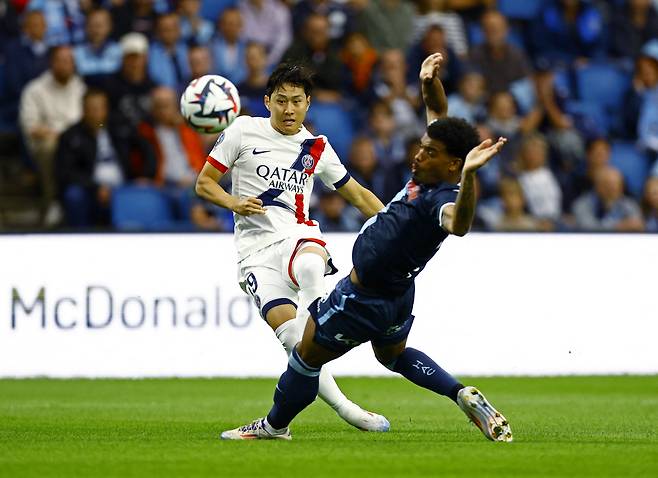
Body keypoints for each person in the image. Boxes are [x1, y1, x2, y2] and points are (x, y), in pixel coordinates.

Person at [220, 53, 513, 442]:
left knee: (304, 360)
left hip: (361, 297)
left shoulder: (440, 200)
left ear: (453, 165)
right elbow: (438, 115)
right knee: (393, 355)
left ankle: (274, 426)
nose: (418, 154)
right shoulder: (431, 173)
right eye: (422, 146)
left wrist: (471, 178)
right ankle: (460, 393)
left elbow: (458, 224)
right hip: (398, 296)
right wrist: (428, 84)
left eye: (429, 152)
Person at [195, 62, 390, 432]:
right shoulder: (242, 131)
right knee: (294, 343)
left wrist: (398, 226)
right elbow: (204, 184)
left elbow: (358, 195)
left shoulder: (316, 147)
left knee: (311, 267)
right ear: (267, 101)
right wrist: (234, 203)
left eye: (296, 102)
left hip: (298, 235)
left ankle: (323, 315)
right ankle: (344, 410)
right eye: (281, 101)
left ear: (308, 104)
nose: (288, 109)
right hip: (254, 255)